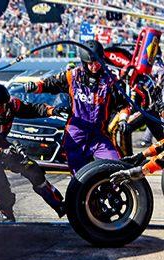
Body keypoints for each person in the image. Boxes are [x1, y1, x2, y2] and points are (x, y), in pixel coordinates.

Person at [24, 40, 130, 173]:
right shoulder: (72, 76)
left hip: (99, 135)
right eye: (89, 63)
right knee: (79, 177)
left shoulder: (111, 80)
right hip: (75, 135)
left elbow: (124, 105)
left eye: (97, 62)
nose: (94, 66)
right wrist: (35, 86)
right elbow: (49, 83)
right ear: (83, 62)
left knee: (117, 167)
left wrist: (123, 119)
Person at [0, 84, 66, 222]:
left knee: (33, 170)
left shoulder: (13, 104)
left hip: (3, 144)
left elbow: (32, 109)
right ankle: (7, 216)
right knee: (1, 187)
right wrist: (0, 152)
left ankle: (59, 205)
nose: (0, 111)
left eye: (3, 106)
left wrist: (52, 111)